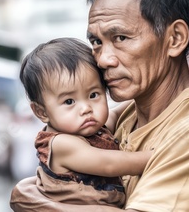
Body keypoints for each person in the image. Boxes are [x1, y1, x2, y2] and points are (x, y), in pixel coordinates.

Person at [10, 0, 189, 212]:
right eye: (96, 42)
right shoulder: (122, 118)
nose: (102, 59)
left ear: (174, 39)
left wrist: (33, 202)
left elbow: (35, 193)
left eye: (120, 38)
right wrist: (26, 192)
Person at [18, 37, 151, 207]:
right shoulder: (61, 144)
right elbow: (109, 164)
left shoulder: (91, 128)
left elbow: (117, 113)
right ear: (41, 112)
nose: (86, 108)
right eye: (69, 102)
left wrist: (142, 96)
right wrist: (157, 156)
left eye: (93, 95)